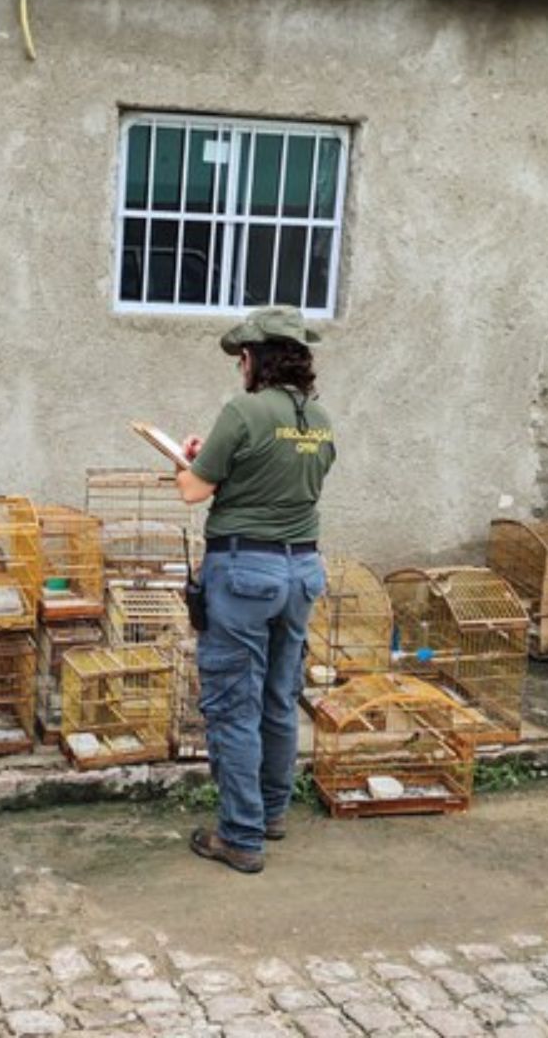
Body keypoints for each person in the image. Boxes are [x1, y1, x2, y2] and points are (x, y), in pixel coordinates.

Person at [174, 306, 335, 874]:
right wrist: (213, 462)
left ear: (254, 358)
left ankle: (240, 836)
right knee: (277, 696)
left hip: (245, 574)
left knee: (233, 704)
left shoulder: (243, 410)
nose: (239, 367)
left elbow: (194, 492)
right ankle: (269, 812)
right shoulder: (318, 419)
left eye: (241, 357)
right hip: (301, 570)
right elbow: (278, 478)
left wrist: (184, 464)